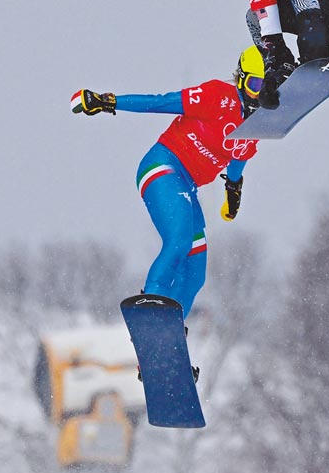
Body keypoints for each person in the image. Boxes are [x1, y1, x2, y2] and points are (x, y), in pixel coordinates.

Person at [71, 47, 263, 324]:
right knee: (179, 240)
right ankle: (150, 307)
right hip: (163, 167)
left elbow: (239, 156)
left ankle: (166, 334)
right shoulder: (217, 96)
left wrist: (233, 192)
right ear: (242, 80)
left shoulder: (258, 124)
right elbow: (161, 102)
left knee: (195, 273)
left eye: (264, 86)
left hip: (188, 185)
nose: (258, 93)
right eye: (254, 84)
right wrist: (108, 102)